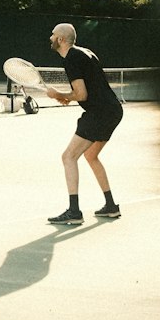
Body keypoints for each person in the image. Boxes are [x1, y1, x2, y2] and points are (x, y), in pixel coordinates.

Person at [45, 22, 122, 225]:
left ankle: (74, 211)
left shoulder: (71, 59)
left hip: (99, 113)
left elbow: (81, 94)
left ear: (61, 39)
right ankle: (111, 206)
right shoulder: (85, 53)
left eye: (53, 35)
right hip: (113, 110)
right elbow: (87, 91)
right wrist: (68, 97)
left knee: (68, 156)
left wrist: (59, 94)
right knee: (90, 155)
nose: (50, 38)